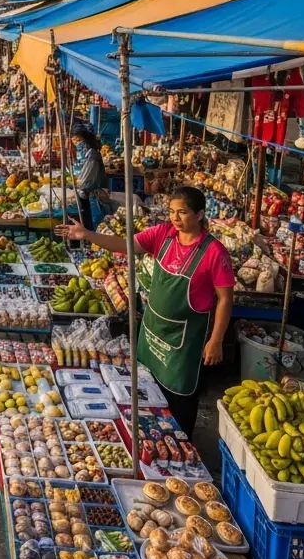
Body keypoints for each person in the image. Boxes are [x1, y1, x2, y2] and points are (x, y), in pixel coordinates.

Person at [56, 186, 234, 437]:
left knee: (179, 397)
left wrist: (216, 340)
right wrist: (86, 234)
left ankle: (180, 444)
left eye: (182, 212)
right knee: (146, 390)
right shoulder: (163, 235)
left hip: (184, 341)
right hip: (152, 331)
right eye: (172, 211)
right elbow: (124, 244)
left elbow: (225, 298)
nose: (175, 218)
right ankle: (149, 437)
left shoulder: (214, 252)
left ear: (200, 214)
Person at [71, 127, 108, 230]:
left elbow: (85, 181)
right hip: (87, 194)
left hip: (95, 196)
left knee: (97, 225)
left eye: (79, 140)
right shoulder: (84, 155)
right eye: (74, 141)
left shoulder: (92, 155)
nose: (77, 144)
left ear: (86, 139)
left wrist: (73, 183)